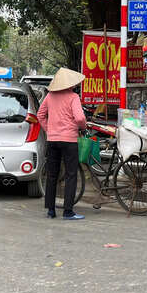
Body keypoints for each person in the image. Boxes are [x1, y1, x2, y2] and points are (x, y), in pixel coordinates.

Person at [37, 68, 88, 220]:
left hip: (52, 140)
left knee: (52, 175)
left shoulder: (50, 96)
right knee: (71, 175)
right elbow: (79, 118)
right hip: (69, 141)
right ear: (70, 84)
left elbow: (40, 115)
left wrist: (49, 130)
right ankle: (68, 211)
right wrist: (83, 127)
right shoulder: (73, 97)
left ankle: (51, 211)